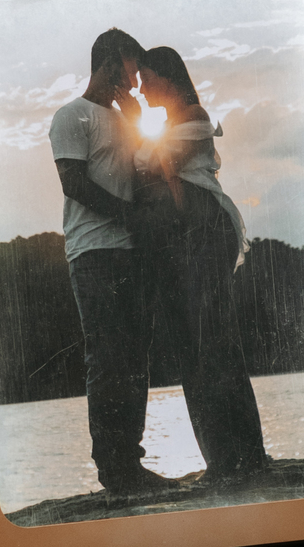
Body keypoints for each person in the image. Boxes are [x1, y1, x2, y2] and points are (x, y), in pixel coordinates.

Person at [133, 45, 268, 485]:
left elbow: (156, 163)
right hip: (184, 239)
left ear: (168, 77)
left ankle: (244, 456)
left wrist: (150, 161)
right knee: (196, 347)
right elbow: (150, 166)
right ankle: (225, 459)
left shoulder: (195, 114)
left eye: (147, 78)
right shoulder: (171, 124)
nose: (141, 86)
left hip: (208, 230)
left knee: (213, 341)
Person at [49, 27, 172, 498]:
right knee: (108, 358)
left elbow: (144, 175)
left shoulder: (127, 120)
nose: (137, 77)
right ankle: (113, 470)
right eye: (131, 66)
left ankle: (131, 465)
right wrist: (129, 216)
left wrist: (138, 121)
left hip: (133, 253)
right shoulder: (71, 116)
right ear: (110, 63)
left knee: (135, 359)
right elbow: (72, 182)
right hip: (94, 254)